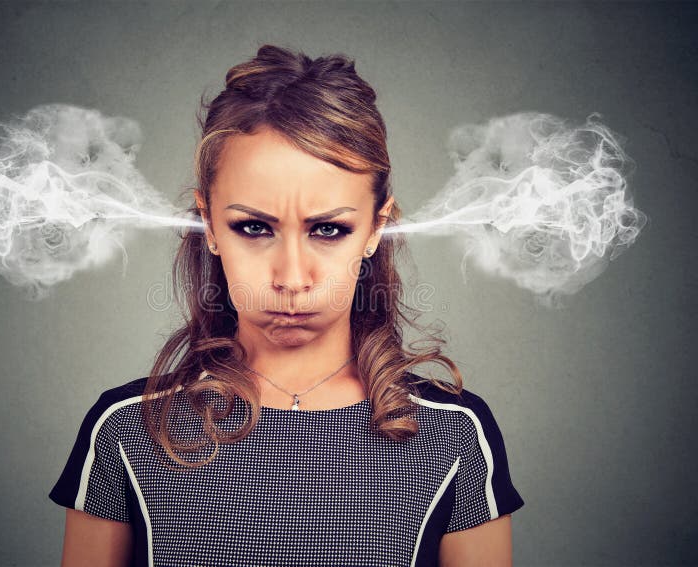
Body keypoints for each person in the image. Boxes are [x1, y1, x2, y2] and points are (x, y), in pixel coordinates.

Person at [49, 44, 524, 567]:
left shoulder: (452, 433)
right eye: (253, 227)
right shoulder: (127, 430)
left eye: (329, 229)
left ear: (376, 228)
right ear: (208, 224)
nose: (292, 278)